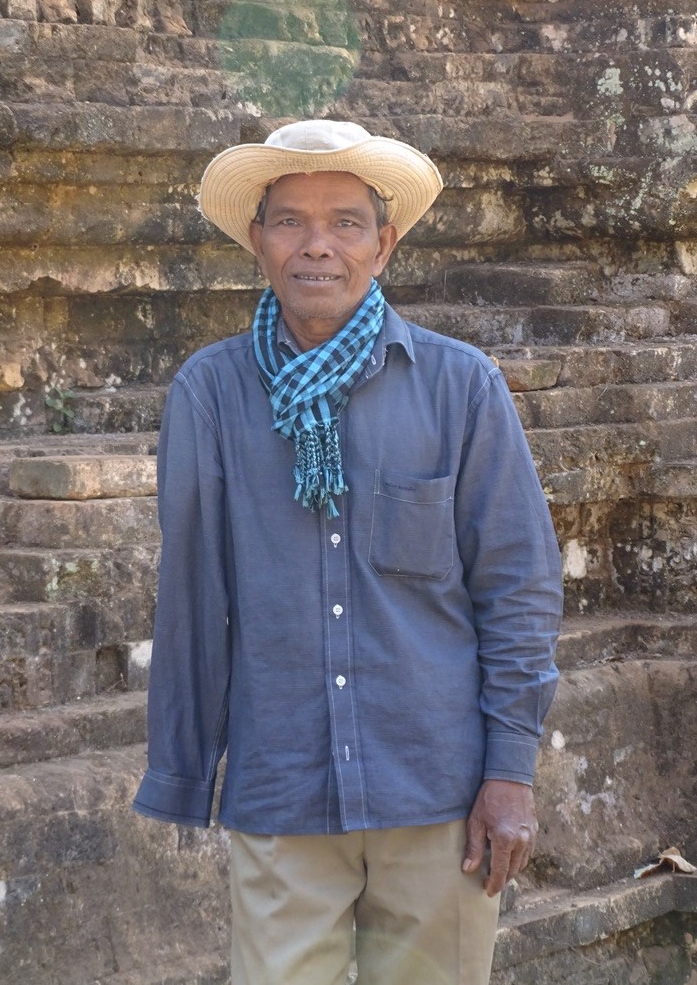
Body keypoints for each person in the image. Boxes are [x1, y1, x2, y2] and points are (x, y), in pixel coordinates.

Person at [132, 119, 563, 985]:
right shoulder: (210, 395)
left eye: (345, 222)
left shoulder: (460, 386)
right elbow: (192, 599)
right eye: (290, 220)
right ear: (257, 240)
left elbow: (517, 587)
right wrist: (184, 771)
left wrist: (510, 773)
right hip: (282, 792)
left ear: (384, 243)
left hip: (439, 795)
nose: (316, 246)